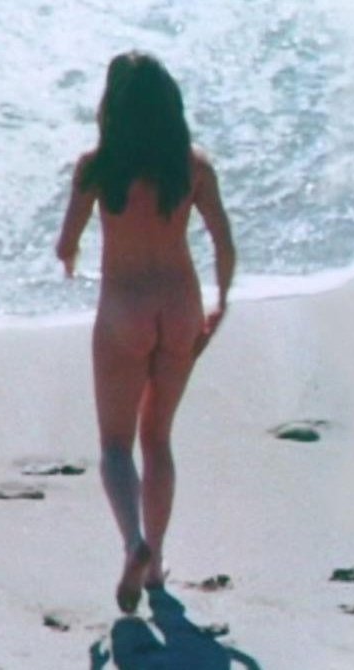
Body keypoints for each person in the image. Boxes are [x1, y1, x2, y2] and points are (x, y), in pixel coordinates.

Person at [55, 51, 236, 614]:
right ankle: (155, 566)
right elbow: (224, 244)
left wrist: (71, 262)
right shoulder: (193, 167)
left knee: (116, 445)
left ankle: (134, 540)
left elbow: (66, 244)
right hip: (180, 307)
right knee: (158, 438)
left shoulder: (96, 168)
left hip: (124, 310)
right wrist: (222, 303)